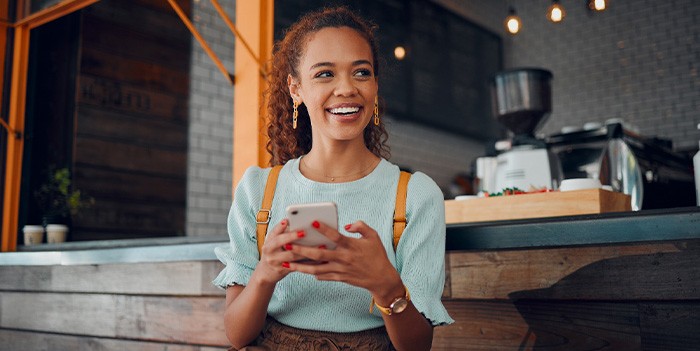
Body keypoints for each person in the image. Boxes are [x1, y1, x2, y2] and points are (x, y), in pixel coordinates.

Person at [213, 6, 453, 350]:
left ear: (374, 86)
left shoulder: (415, 196)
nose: (346, 89)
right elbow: (237, 335)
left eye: (361, 73)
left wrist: (386, 286)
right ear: (296, 89)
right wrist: (265, 273)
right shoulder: (257, 191)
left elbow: (416, 346)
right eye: (325, 74)